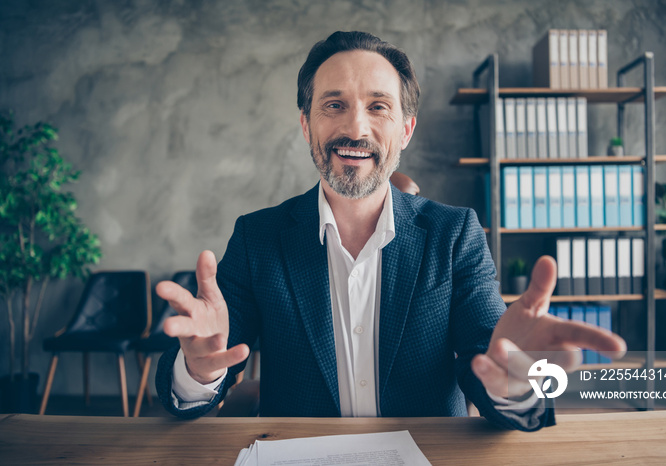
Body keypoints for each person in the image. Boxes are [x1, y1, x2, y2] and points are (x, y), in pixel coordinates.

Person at [155, 31, 625, 431]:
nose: (355, 127)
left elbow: (490, 356)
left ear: (405, 130)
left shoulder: (455, 235)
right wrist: (196, 372)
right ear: (305, 125)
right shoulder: (258, 239)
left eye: (378, 107)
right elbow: (212, 361)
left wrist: (518, 380)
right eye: (333, 105)